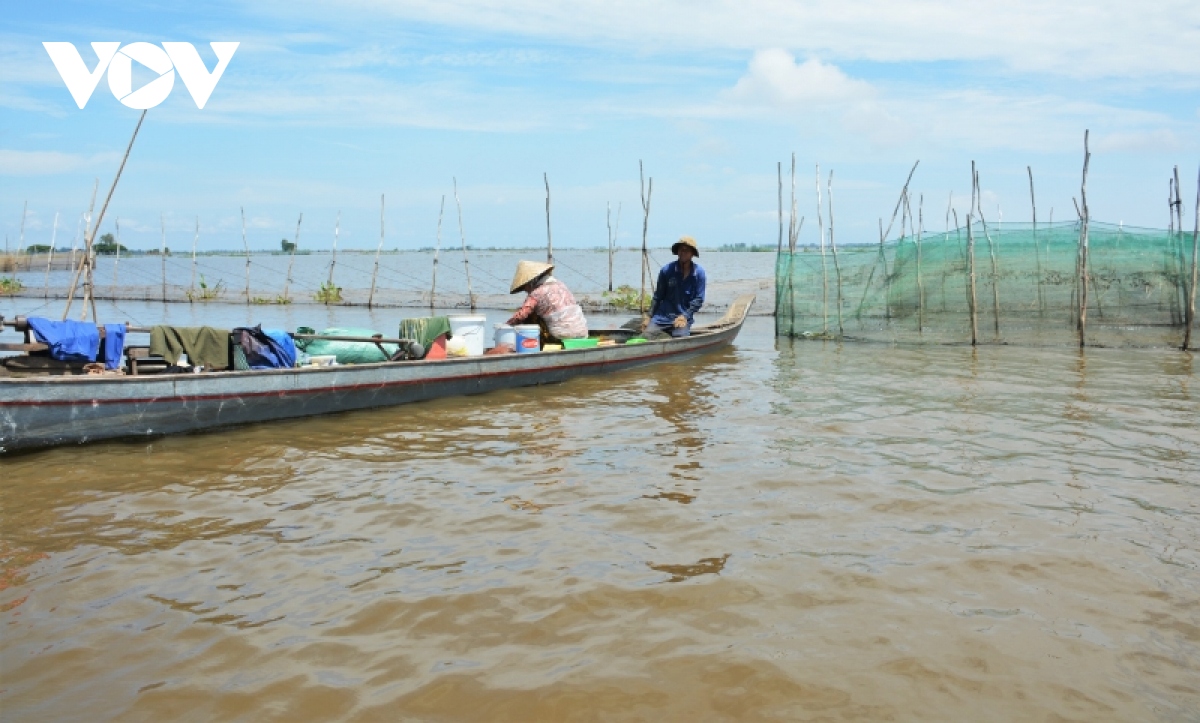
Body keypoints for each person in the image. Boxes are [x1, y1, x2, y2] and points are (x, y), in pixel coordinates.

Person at [507, 260, 588, 342]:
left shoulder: (536, 293)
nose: (526, 290)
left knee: (531, 316)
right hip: (582, 332)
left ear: (532, 282)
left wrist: (507, 325)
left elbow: (521, 315)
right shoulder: (560, 284)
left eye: (525, 286)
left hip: (561, 334)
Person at [646, 236, 706, 338]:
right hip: (662, 317)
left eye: (686, 250)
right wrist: (649, 316)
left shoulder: (699, 273)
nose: (683, 252)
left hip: (682, 317)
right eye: (681, 249)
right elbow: (658, 296)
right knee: (646, 335)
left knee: (680, 336)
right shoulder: (666, 271)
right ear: (677, 251)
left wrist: (685, 316)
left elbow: (699, 299)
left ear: (692, 254)